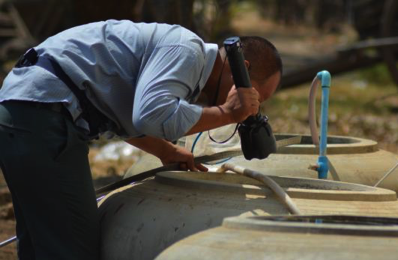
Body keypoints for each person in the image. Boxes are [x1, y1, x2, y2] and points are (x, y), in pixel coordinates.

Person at [0, 20, 282, 259]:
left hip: (21, 110)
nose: (253, 108)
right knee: (74, 247)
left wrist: (164, 150)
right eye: (257, 96)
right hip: (43, 115)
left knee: (40, 247)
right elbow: (151, 114)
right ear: (240, 70)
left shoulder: (182, 57)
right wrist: (226, 112)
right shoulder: (187, 51)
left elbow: (121, 108)